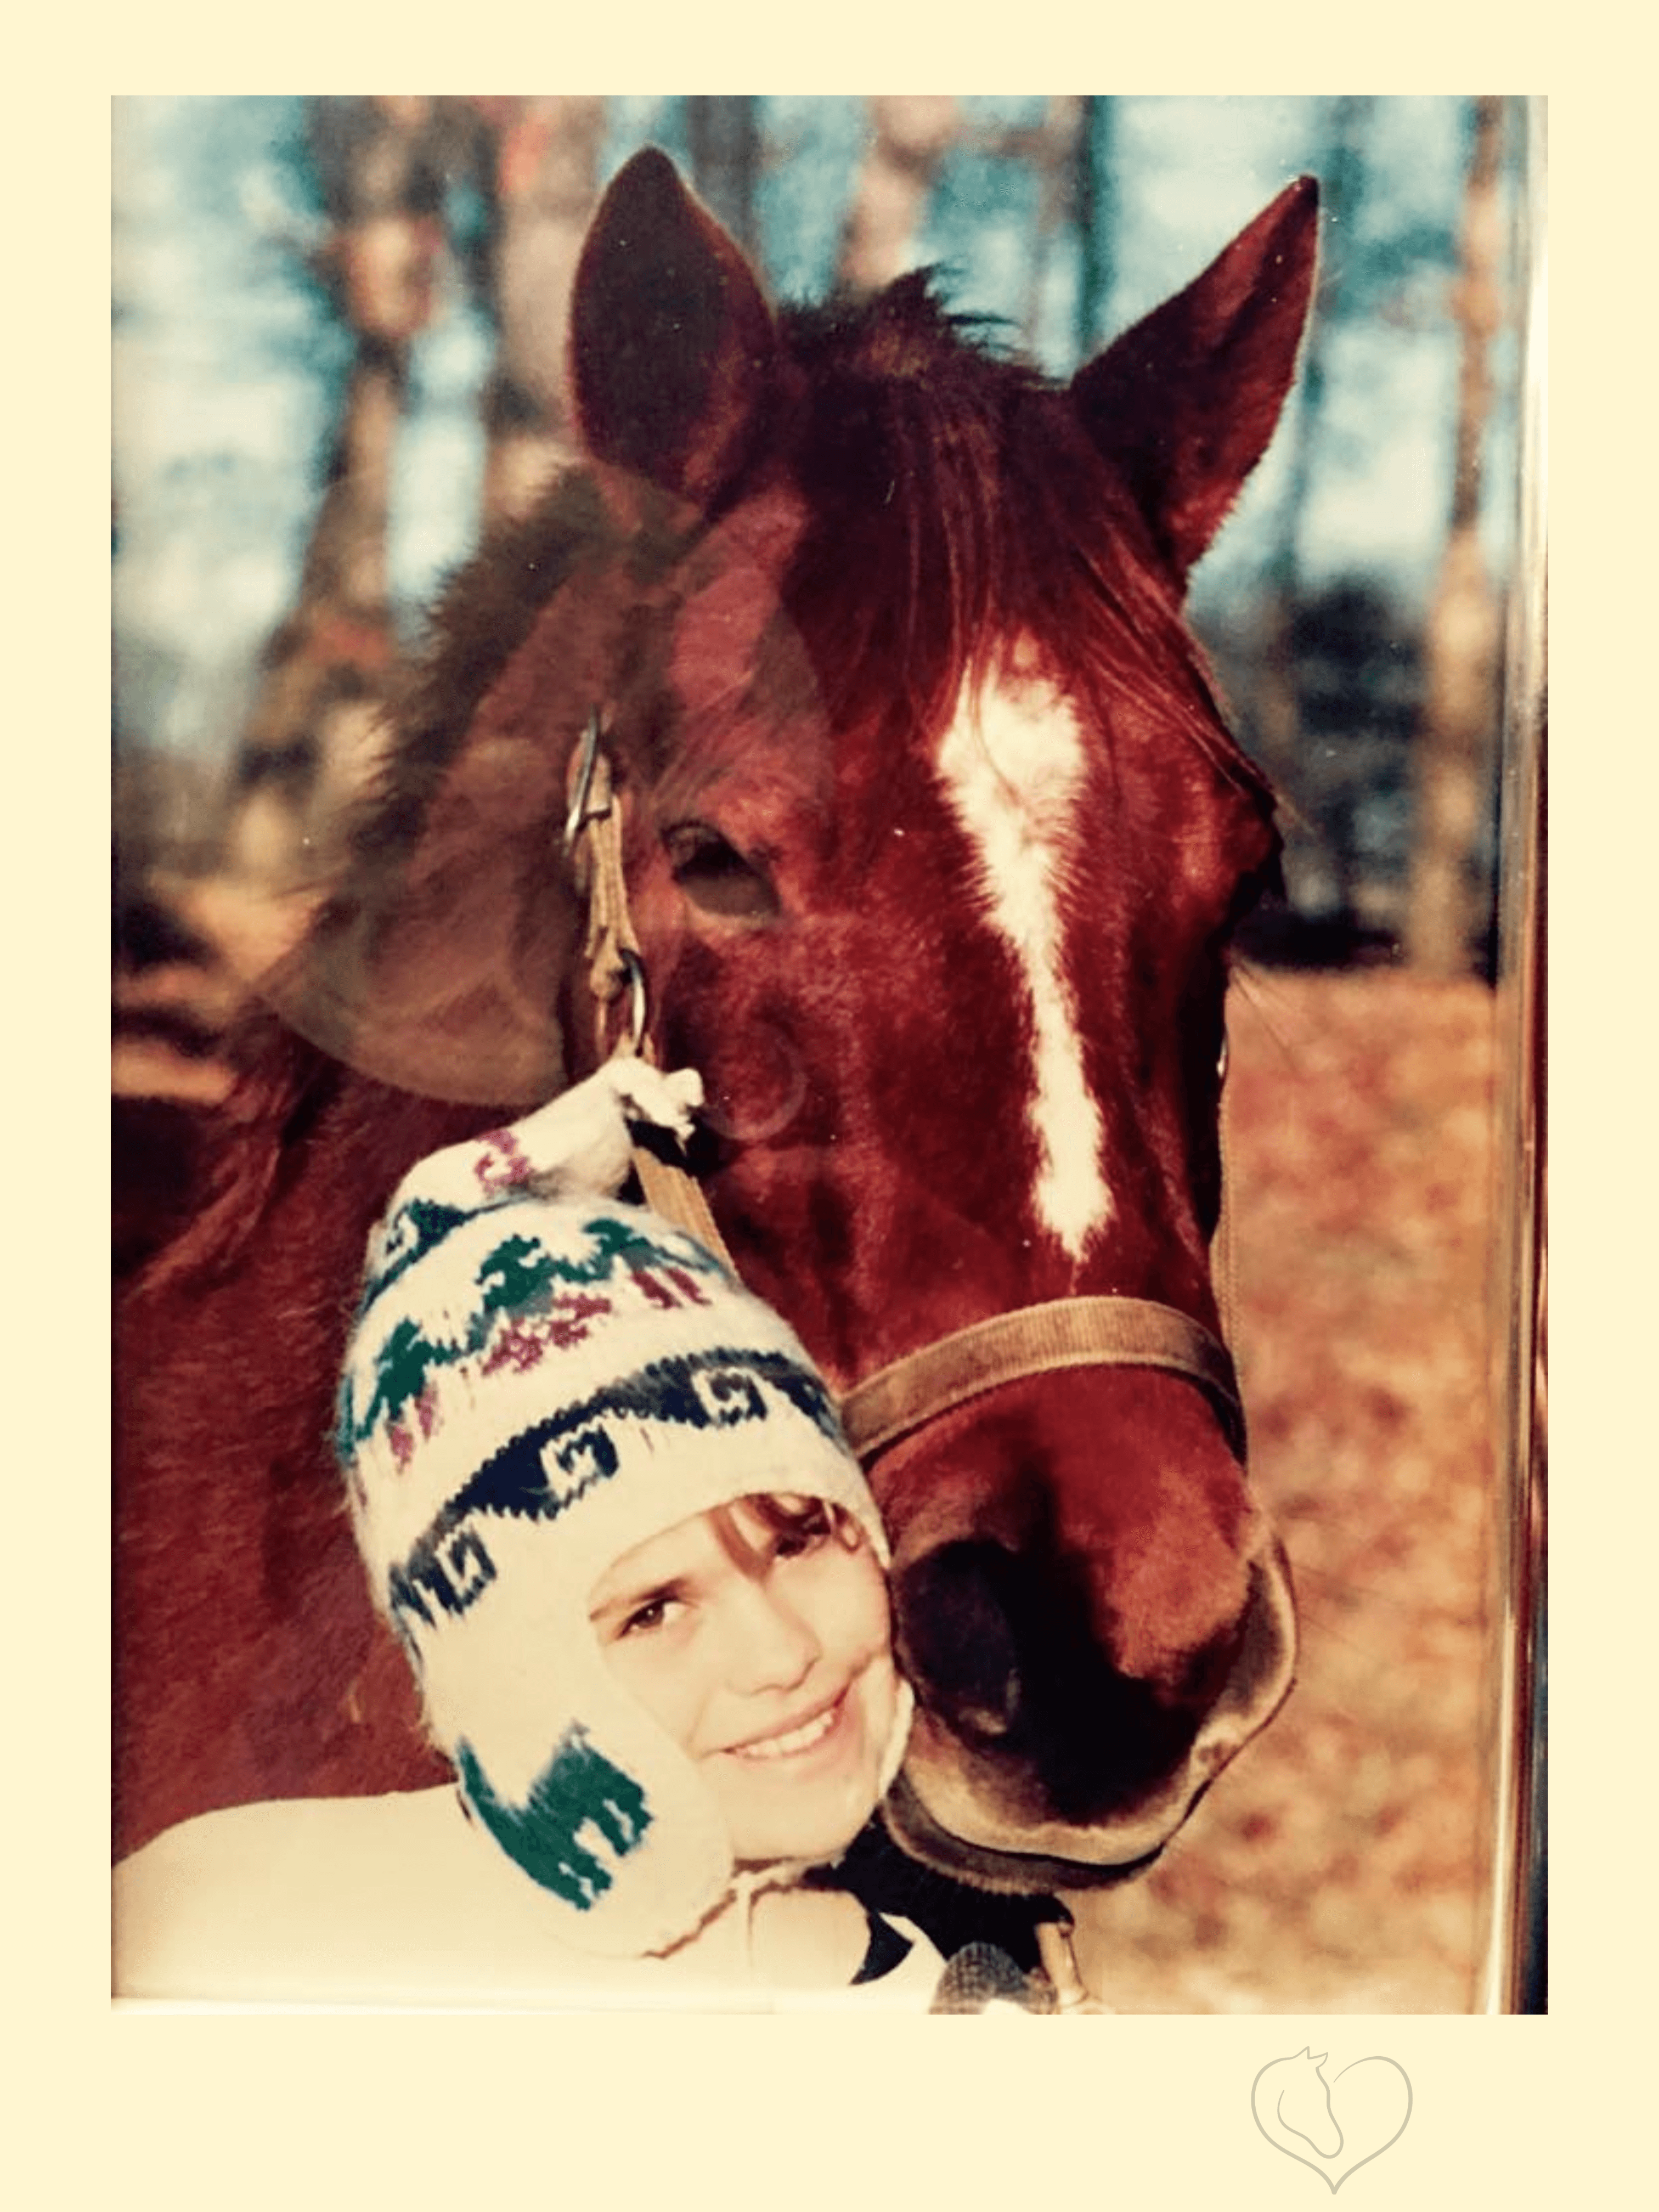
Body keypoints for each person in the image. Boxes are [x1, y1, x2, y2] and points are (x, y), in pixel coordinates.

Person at [114, 1060, 1090, 2010]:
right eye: (655, 1611)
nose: (783, 1654)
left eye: (798, 1541)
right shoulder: (214, 1942)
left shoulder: (973, 1999)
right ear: (504, 1679)